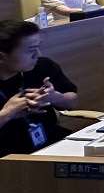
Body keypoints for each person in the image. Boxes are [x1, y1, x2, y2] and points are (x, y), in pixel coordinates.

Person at [0, 20, 79, 156]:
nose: (38, 54)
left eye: (38, 47)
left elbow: (71, 102)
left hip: (53, 144)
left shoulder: (42, 67)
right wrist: (7, 113)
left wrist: (55, 97)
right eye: (31, 50)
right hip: (10, 157)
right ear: (1, 57)